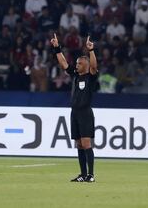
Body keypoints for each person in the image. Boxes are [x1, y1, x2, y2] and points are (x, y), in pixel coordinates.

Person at [50, 33, 98, 183]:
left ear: (86, 65)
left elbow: (94, 66)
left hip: (85, 112)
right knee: (78, 144)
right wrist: (57, 47)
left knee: (86, 143)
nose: (76, 65)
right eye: (76, 63)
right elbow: (64, 64)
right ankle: (83, 174)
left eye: (79, 63)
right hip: (74, 112)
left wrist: (91, 51)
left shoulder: (90, 76)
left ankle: (91, 175)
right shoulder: (76, 75)